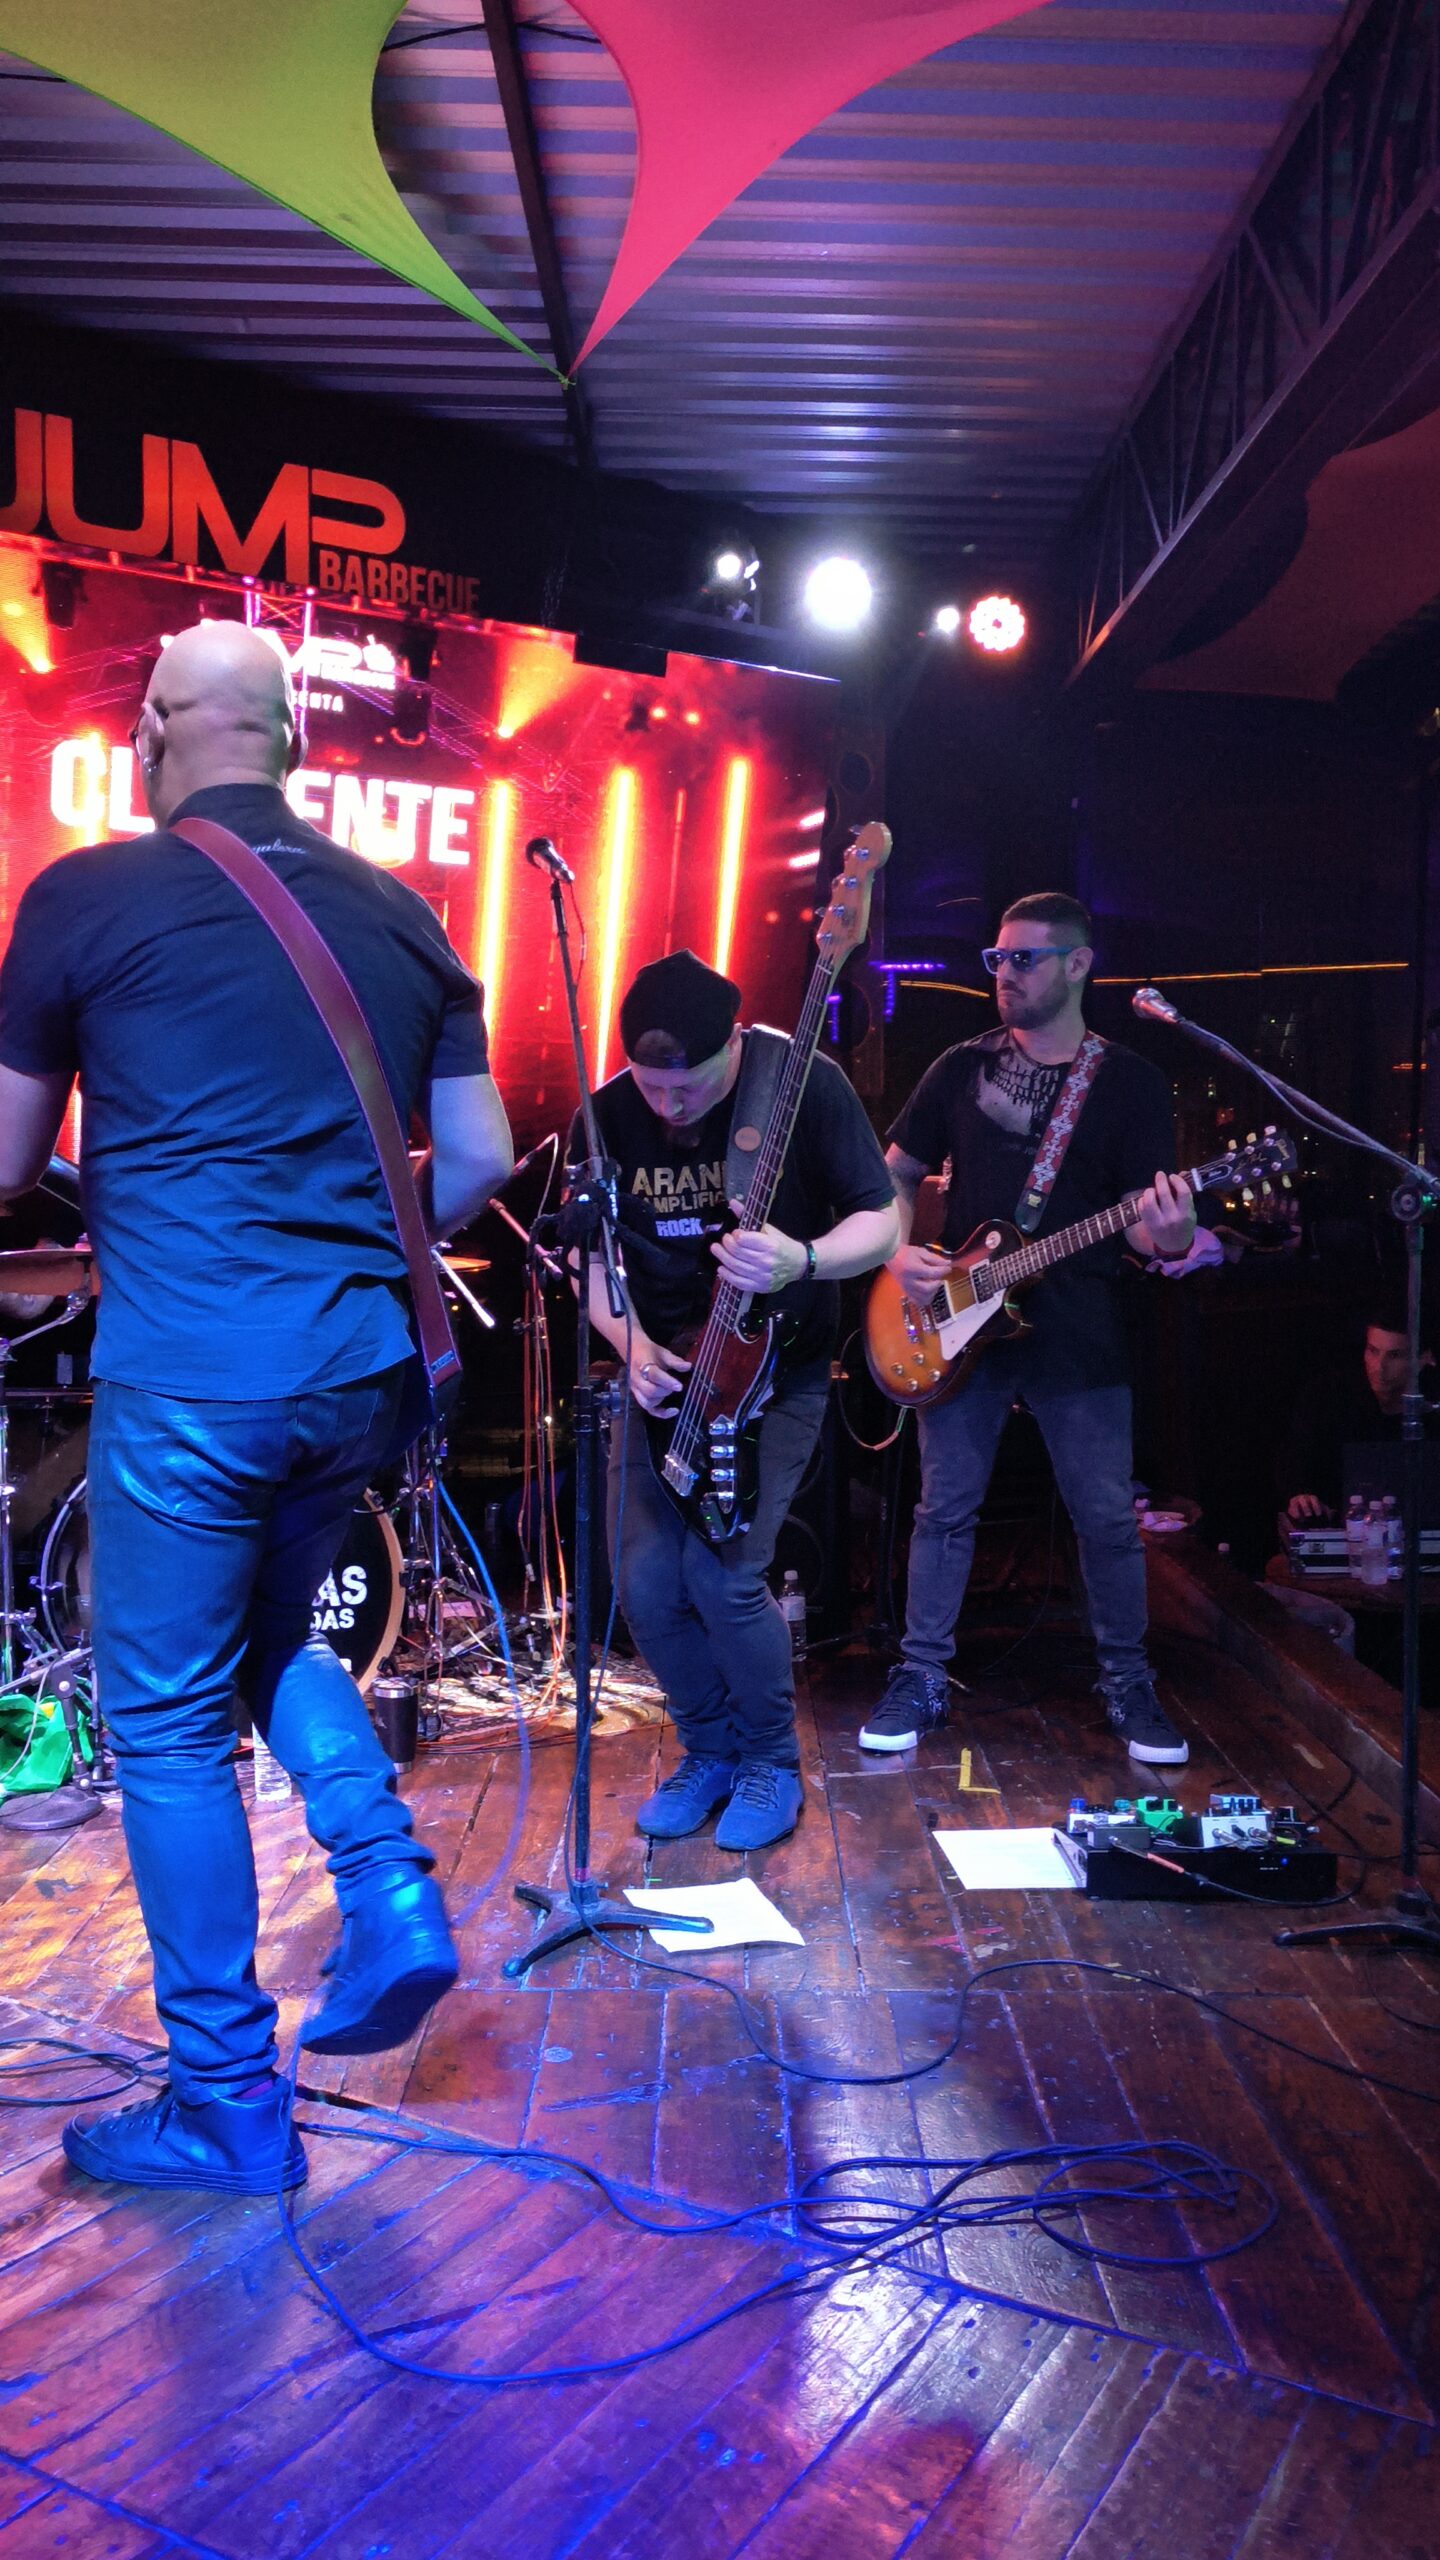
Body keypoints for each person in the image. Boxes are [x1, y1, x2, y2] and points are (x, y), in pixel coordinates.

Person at [0, 619, 512, 2196]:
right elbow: (481, 1159)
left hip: (196, 1379)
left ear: (156, 731)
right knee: (272, 1638)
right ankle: (388, 1879)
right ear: (292, 741)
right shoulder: (405, 913)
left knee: (164, 1721)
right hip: (359, 1374)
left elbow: (5, 1163)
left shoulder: (83, 896)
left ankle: (225, 2101)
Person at [860, 892, 1197, 1766]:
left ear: (1078, 964)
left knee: (1106, 1518)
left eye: (1023, 959)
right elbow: (892, 1173)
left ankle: (1128, 1680)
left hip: (1078, 1329)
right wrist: (898, 1253)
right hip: (958, 1319)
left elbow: (1147, 1231)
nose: (1003, 974)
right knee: (943, 1510)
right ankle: (921, 1674)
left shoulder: (1128, 1081)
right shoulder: (958, 1066)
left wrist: (1171, 1233)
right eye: (996, 959)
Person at [577, 948, 898, 1849]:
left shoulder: (799, 1085)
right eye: (652, 1086)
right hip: (665, 1379)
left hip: (774, 1371)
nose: (668, 1106)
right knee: (645, 1581)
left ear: (733, 1048)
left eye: (689, 1086)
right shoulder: (606, 1115)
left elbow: (882, 1224)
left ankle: (770, 1761)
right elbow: (589, 1259)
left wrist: (804, 1258)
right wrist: (631, 1346)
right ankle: (709, 1750)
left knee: (723, 1575)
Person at [1278, 1305, 1435, 1525]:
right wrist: (1301, 1496)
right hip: (1340, 1527)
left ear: (1424, 1359)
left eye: (1395, 1355)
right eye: (1373, 1351)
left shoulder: (1432, 1405)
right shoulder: (1329, 1396)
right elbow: (1295, 1463)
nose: (1380, 1367)